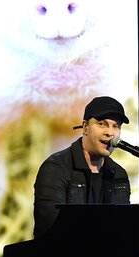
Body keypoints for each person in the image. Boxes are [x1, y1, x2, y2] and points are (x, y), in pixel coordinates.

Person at [33, 96, 131, 238]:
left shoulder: (118, 174)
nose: (110, 133)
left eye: (116, 126)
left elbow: (125, 228)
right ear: (85, 127)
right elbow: (49, 228)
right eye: (102, 124)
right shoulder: (55, 168)